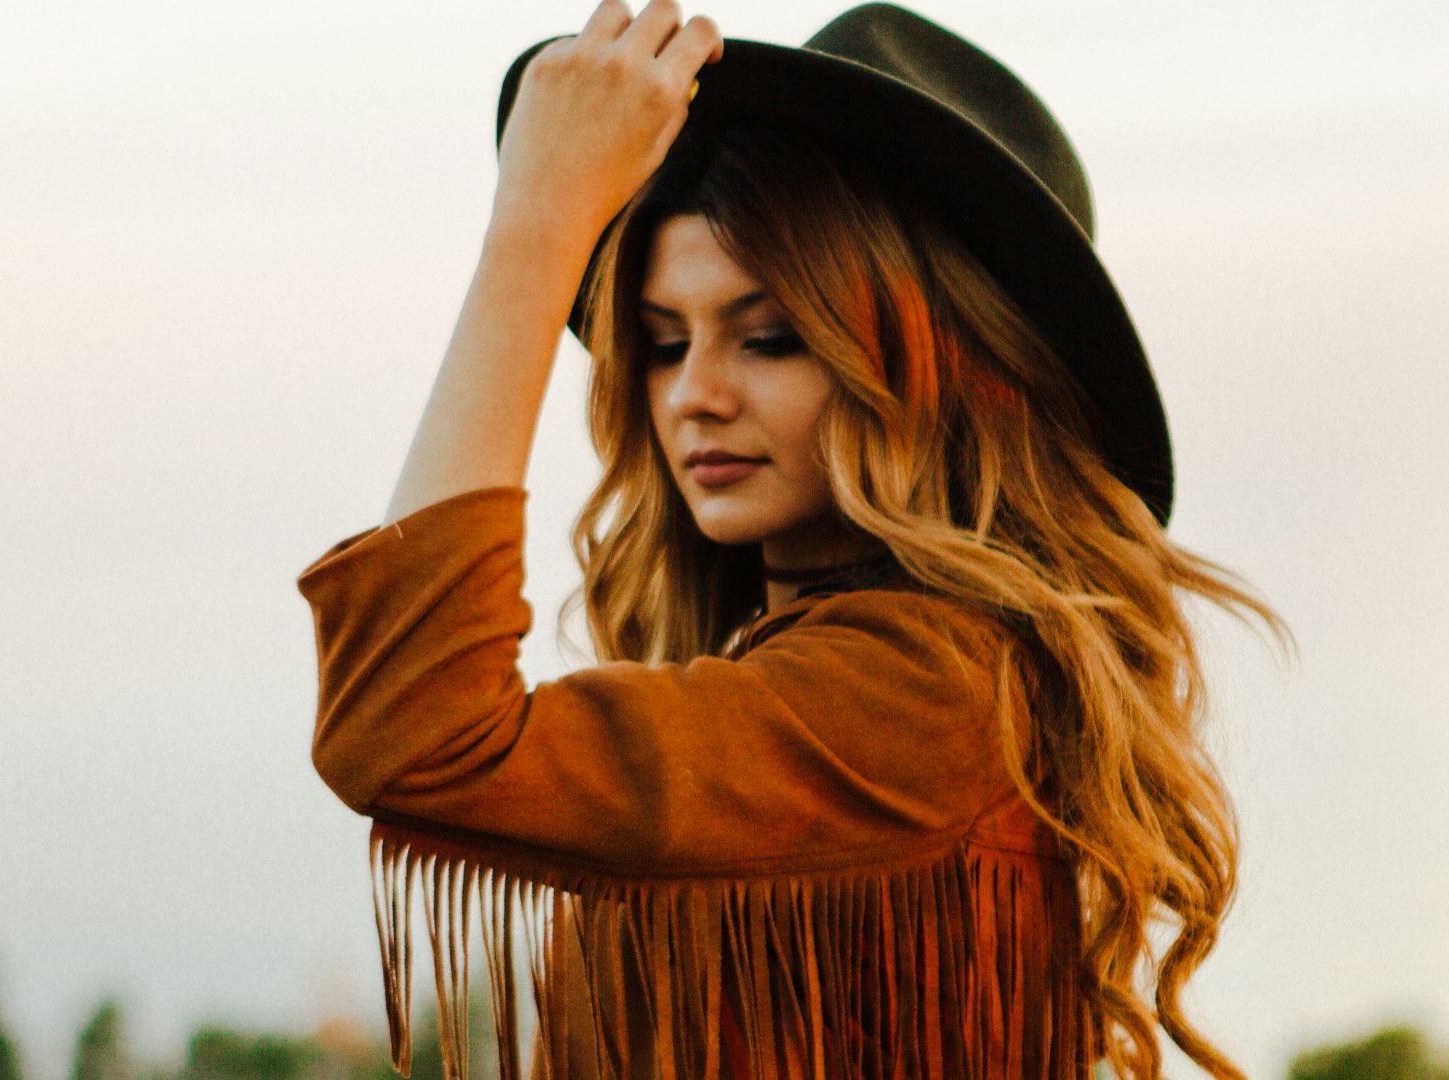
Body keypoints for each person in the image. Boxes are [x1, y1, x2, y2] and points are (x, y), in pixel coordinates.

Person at [295, 2, 1292, 1078]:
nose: (695, 397)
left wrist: (538, 228)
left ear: (946, 368)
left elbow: (412, 730)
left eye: (770, 339)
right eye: (665, 344)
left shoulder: (923, 690)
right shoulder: (847, 673)